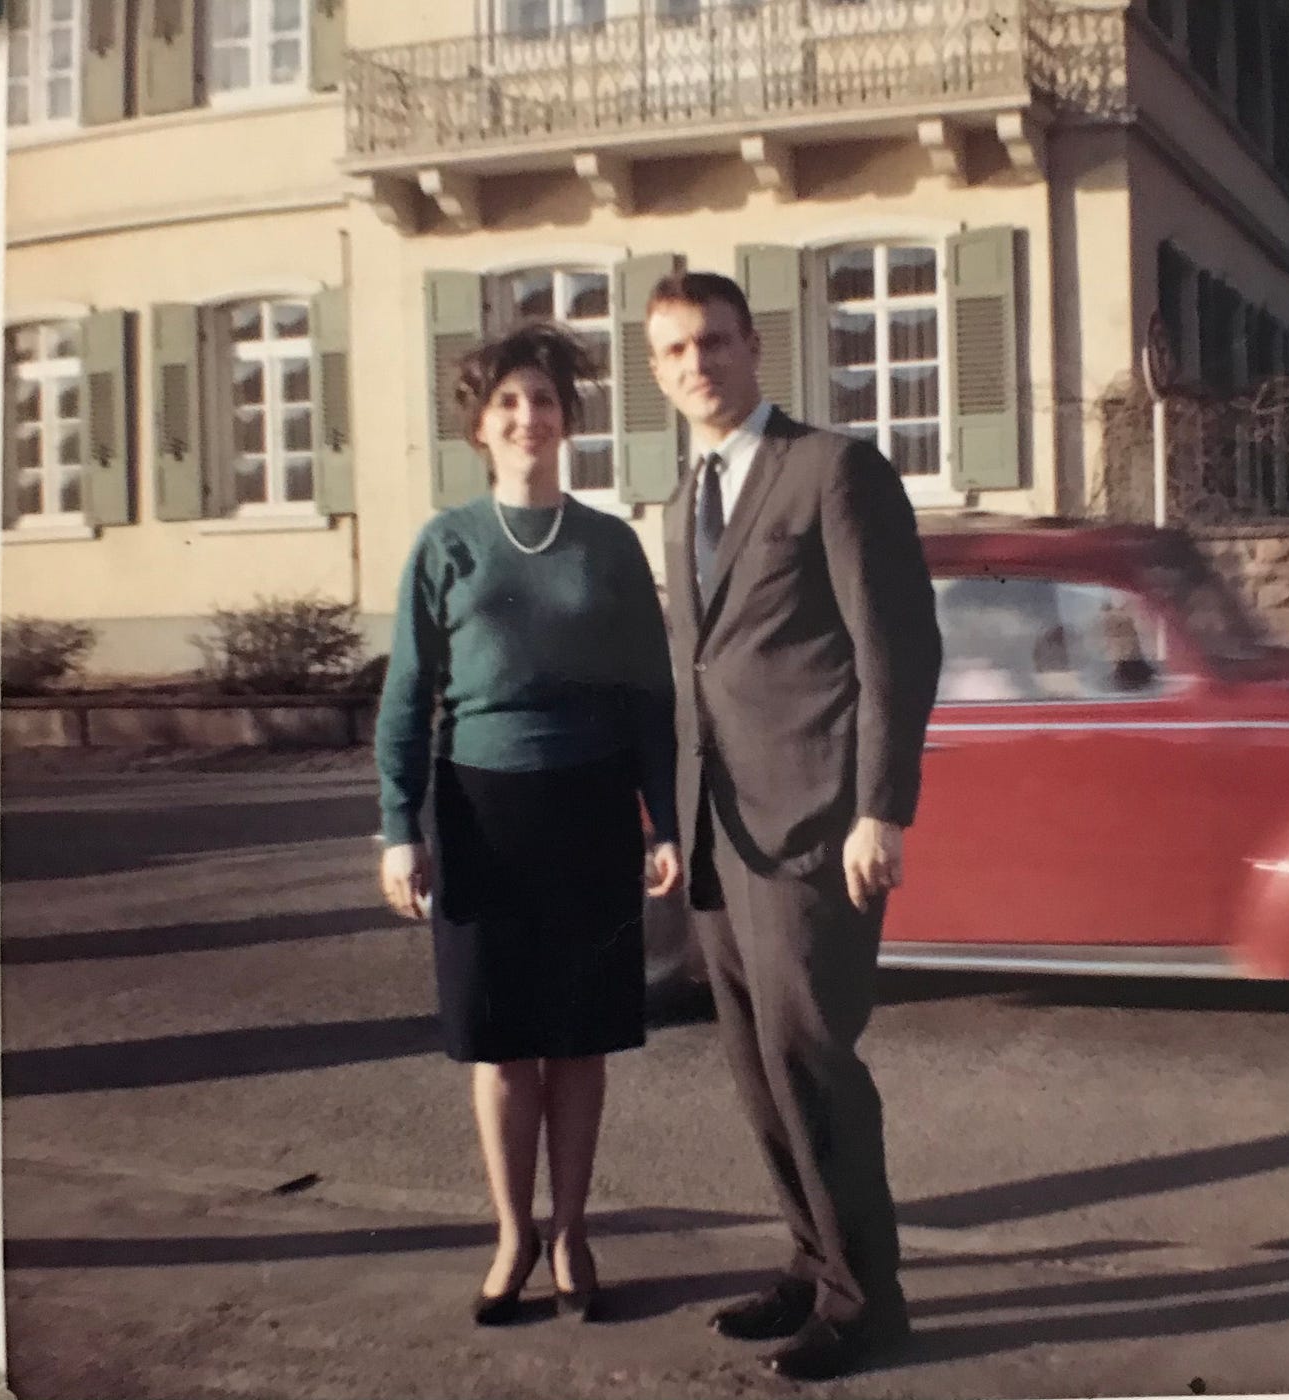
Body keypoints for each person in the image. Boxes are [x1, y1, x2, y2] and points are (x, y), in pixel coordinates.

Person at [646, 272, 941, 1380]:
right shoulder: (682, 499)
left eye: (713, 342)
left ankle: (868, 1304)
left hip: (814, 825)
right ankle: (814, 1262)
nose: (696, 364)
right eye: (674, 350)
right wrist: (670, 819)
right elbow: (698, 672)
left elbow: (895, 648)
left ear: (752, 346)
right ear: (656, 369)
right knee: (756, 1067)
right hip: (718, 833)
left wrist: (881, 808)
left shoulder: (831, 469)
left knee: (813, 1063)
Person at [374, 323, 681, 1327]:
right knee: (503, 1045)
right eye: (507, 402)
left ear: (567, 419)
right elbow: (408, 695)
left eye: (543, 400)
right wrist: (398, 825)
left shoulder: (608, 545)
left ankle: (573, 1232)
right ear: (479, 425)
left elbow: (648, 696)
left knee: (579, 1040)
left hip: (590, 808)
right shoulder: (446, 543)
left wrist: (663, 818)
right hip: (480, 811)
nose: (526, 417)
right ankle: (512, 1234)